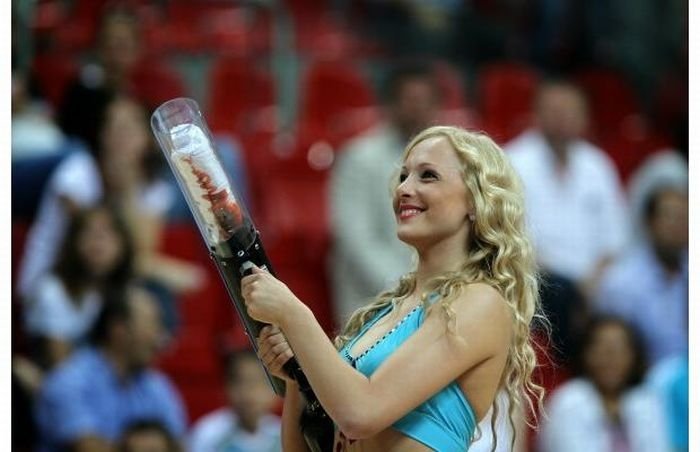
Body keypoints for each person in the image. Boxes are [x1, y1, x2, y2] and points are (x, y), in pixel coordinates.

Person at [243, 126, 546, 451]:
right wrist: (296, 382)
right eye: (403, 176)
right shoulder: (386, 310)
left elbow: (361, 413)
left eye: (427, 176)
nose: (404, 188)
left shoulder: (480, 301)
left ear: (475, 200)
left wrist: (294, 314)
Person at [17, 95, 205, 318]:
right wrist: (170, 272)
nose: (121, 136)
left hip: (104, 284)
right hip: (57, 282)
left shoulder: (153, 188)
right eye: (114, 127)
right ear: (102, 135)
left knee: (149, 298)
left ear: (148, 140)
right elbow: (94, 251)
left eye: (129, 128)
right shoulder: (76, 174)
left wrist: (128, 188)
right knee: (142, 298)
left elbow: (142, 255)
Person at [329, 62, 441, 325]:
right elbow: (356, 240)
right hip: (374, 297)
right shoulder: (359, 157)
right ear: (390, 104)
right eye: (411, 100)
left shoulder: (448, 160)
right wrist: (411, 288)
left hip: (434, 291)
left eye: (425, 101)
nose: (418, 108)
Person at [505, 80, 629, 299]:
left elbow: (614, 239)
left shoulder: (598, 164)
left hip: (595, 282)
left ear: (585, 117)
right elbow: (509, 237)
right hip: (538, 279)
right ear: (537, 114)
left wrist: (593, 282)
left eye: (571, 111)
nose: (563, 118)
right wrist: (568, 284)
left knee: (627, 286)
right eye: (555, 110)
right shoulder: (512, 160)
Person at [35, 285, 187, 452]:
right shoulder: (67, 383)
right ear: (119, 329)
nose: (160, 338)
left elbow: (180, 445)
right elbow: (87, 448)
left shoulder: (157, 386)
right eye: (152, 324)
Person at [538, 315, 671, 452]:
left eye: (619, 349)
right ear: (585, 353)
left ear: (634, 355)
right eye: (601, 349)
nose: (610, 358)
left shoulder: (646, 402)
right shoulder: (568, 400)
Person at [24, 204, 134, 369]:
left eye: (108, 234)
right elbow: (63, 370)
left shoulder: (129, 293)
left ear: (124, 244)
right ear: (73, 242)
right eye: (89, 233)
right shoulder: (52, 291)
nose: (98, 242)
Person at [595, 182, 688, 365]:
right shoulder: (621, 283)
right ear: (648, 223)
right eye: (670, 217)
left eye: (684, 218)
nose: (678, 226)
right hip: (641, 386)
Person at [188, 349, 282, 452]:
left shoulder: (282, 434)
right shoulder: (208, 434)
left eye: (257, 382)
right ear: (227, 386)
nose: (249, 393)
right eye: (241, 382)